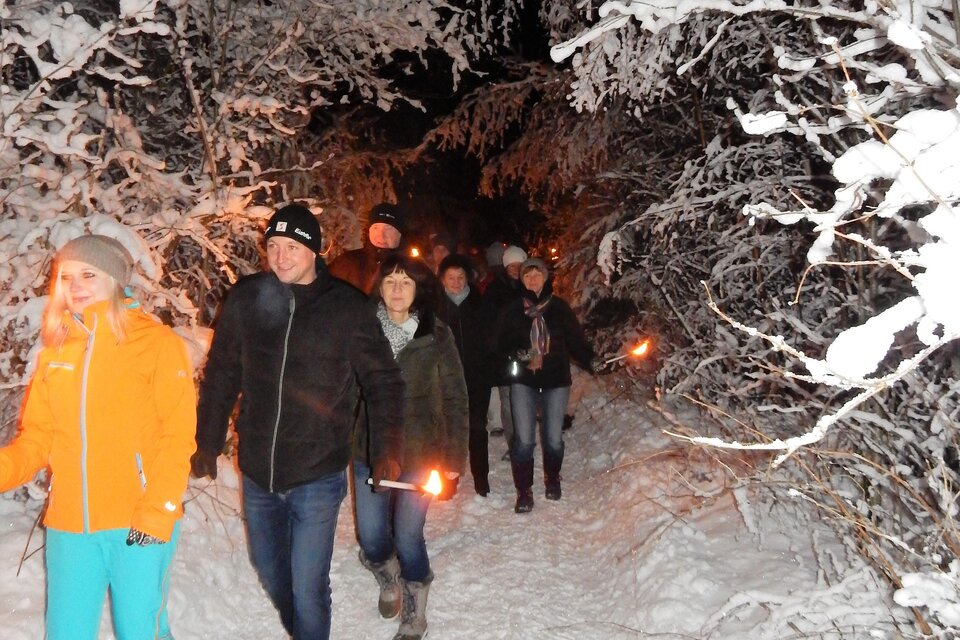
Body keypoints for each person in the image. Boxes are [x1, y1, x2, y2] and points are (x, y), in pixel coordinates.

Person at [191, 204, 404, 640]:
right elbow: (222, 373)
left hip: (316, 475)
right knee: (272, 576)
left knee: (308, 587)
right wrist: (207, 442)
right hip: (258, 475)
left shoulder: (346, 308)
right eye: (273, 246)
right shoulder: (248, 299)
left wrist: (386, 451)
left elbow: (383, 381)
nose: (281, 257)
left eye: (292, 247)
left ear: (315, 251)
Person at [0, 234, 197, 640]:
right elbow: (38, 437)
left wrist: (158, 510)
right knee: (66, 633)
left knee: (139, 632)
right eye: (66, 277)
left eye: (88, 274)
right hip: (70, 527)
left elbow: (177, 438)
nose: (75, 287)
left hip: (138, 521)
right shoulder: (56, 352)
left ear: (115, 280)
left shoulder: (156, 344)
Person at [353, 254, 468, 640]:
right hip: (368, 447)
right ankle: (388, 578)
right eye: (390, 282)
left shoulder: (437, 335)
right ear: (379, 288)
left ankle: (415, 603)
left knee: (407, 533)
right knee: (370, 535)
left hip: (421, 450)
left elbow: (455, 396)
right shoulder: (362, 332)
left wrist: (454, 458)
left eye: (405, 282)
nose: (397, 289)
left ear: (418, 289)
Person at [496, 257, 594, 514]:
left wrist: (594, 362)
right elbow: (498, 343)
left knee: (553, 439)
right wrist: (516, 352)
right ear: (522, 279)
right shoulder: (512, 309)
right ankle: (524, 491)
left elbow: (576, 341)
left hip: (555, 381)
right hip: (524, 382)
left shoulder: (559, 308)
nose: (532, 278)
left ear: (545, 276)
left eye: (536, 273)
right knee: (524, 441)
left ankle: (552, 478)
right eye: (527, 274)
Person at [436, 254, 494, 496]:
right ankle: (448, 480)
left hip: (476, 376)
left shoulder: (481, 305)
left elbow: (492, 340)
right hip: (445, 379)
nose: (457, 282)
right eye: (451, 277)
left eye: (461, 277)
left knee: (477, 428)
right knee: (448, 429)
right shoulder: (434, 307)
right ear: (442, 280)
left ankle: (481, 478)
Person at [484, 245, 527, 459]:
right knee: (508, 401)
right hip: (503, 356)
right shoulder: (494, 290)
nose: (515, 269)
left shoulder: (530, 286)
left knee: (524, 399)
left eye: (519, 265)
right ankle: (515, 445)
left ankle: (525, 440)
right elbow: (489, 324)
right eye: (512, 265)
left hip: (526, 354)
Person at [328, 202, 407, 293]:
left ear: (399, 234)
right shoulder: (347, 262)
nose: (381, 235)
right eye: (376, 228)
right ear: (369, 231)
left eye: (388, 228)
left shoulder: (411, 269)